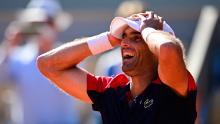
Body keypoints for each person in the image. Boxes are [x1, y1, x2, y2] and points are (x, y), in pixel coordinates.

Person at [37, 11, 197, 124]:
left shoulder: (171, 85)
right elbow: (47, 65)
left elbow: (168, 49)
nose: (124, 43)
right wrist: (109, 39)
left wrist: (148, 30)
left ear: (154, 48)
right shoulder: (112, 90)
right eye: (124, 37)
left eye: (136, 38)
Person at [0, 0, 81, 123]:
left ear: (56, 26)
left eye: (47, 22)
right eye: (36, 23)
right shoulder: (17, 57)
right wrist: (9, 45)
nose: (42, 28)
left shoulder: (70, 56)